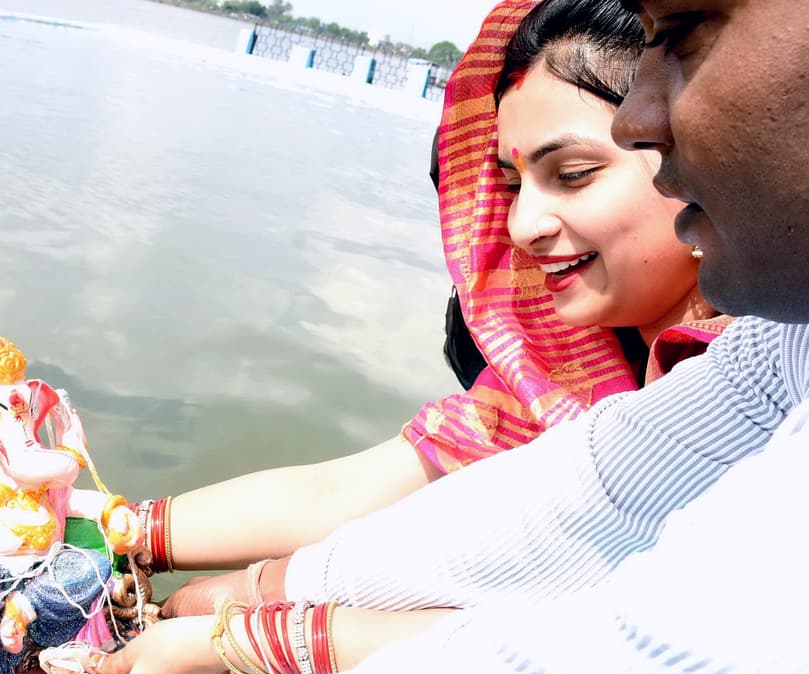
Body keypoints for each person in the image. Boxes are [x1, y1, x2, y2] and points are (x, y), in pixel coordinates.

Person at [0, 0, 809, 674]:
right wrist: (126, 546)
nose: (645, 113)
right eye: (511, 181)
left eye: (688, 30)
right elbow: (569, 493)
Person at [145, 0, 725, 577]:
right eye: (511, 184)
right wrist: (121, 525)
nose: (522, 227)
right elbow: (340, 494)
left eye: (571, 175)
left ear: (693, 156)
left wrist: (235, 632)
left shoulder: (764, 384)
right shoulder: (552, 386)